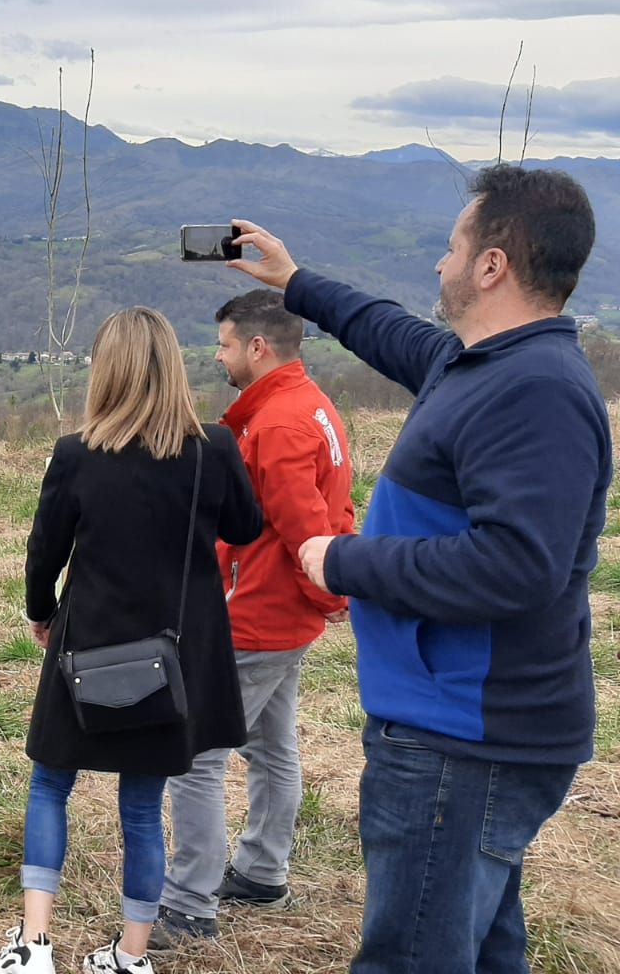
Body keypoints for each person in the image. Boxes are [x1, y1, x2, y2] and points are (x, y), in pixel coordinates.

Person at [229, 164, 611, 973]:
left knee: (413, 957)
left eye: (450, 248)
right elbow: (388, 329)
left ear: (492, 265)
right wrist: (295, 281)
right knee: (477, 946)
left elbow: (517, 567)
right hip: (454, 731)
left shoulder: (535, 390)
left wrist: (347, 560)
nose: (439, 266)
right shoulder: (479, 365)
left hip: (466, 740)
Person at [0, 307, 263, 974]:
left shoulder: (77, 454)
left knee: (51, 784)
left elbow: (44, 553)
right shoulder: (214, 450)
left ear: (105, 371)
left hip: (86, 648)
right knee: (143, 804)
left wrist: (40, 612)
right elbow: (249, 527)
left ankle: (33, 946)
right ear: (172, 366)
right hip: (171, 658)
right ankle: (132, 957)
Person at [152, 290, 354, 948]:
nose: (219, 355)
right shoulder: (312, 406)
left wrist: (327, 598)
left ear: (258, 347)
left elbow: (308, 533)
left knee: (197, 757)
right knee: (272, 747)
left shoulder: (277, 425)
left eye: (226, 344)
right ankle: (263, 871)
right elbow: (332, 515)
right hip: (281, 617)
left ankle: (187, 907)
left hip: (259, 618)